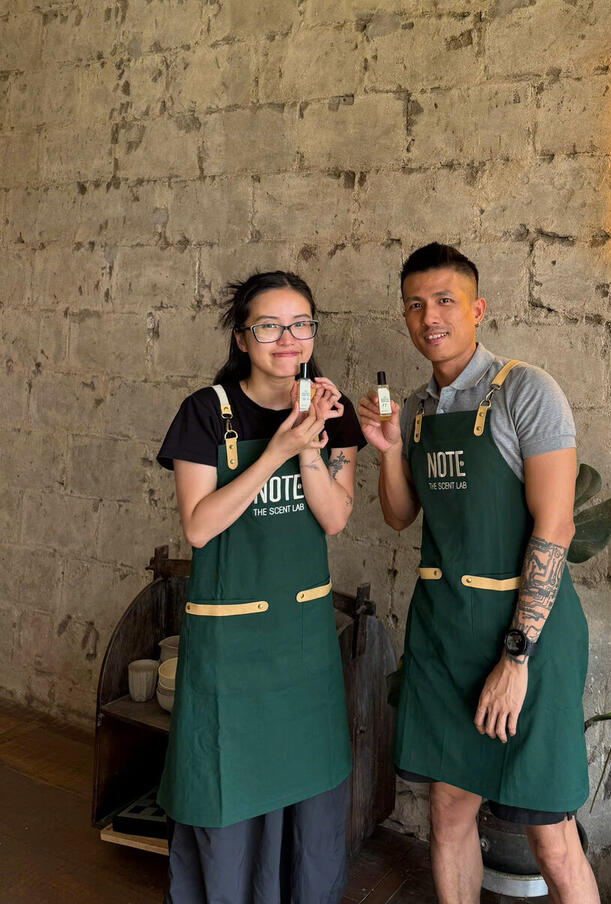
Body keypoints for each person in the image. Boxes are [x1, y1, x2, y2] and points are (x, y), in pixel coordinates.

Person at [358, 243, 599, 904]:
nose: (429, 317)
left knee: (550, 834)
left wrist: (516, 658)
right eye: (415, 304)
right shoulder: (415, 409)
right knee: (447, 811)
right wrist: (388, 451)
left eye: (445, 300)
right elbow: (401, 515)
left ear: (477, 309)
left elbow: (556, 526)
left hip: (528, 637)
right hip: (445, 636)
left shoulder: (527, 391)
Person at [156, 270, 366, 904]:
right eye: (269, 326)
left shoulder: (332, 412)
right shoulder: (205, 412)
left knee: (308, 785)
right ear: (242, 337)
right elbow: (199, 527)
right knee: (227, 785)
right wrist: (276, 451)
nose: (288, 339)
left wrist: (309, 445)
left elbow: (333, 517)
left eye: (300, 324)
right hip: (230, 648)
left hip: (302, 643)